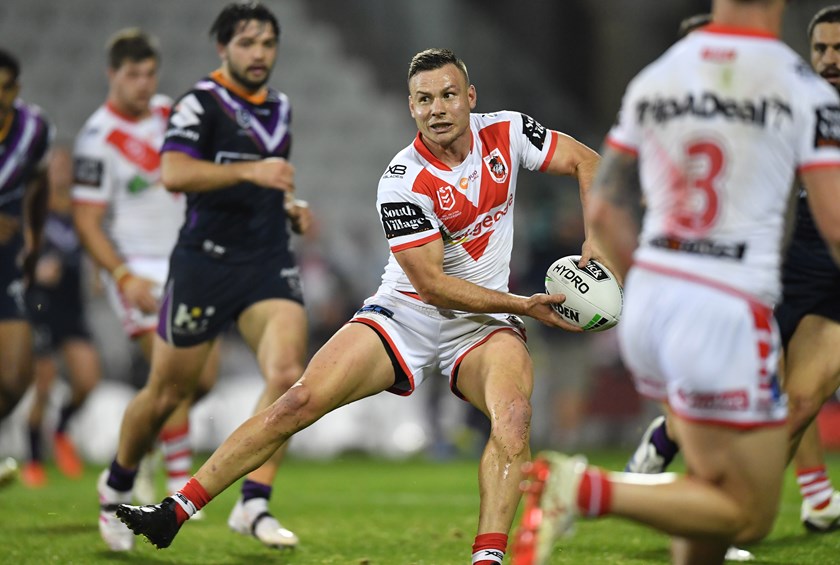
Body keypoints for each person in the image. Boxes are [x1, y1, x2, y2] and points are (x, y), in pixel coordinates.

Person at [114, 46, 600, 565]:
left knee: (514, 417)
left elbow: (586, 160)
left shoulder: (507, 131)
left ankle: (487, 559)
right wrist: (523, 304)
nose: (437, 109)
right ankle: (175, 511)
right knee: (298, 402)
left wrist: (595, 240)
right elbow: (432, 286)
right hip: (407, 313)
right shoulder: (402, 180)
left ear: (470, 97)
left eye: (448, 95)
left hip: (482, 325)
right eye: (424, 100)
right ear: (411, 107)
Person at [510, 1, 840, 565]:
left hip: (652, 301)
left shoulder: (658, 78)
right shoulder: (796, 86)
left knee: (708, 509)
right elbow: (834, 223)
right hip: (725, 306)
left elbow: (606, 209)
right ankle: (582, 488)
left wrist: (647, 277)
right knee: (747, 514)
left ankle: (637, 465)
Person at [95, 3, 311, 553]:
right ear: (223, 48)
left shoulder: (281, 106)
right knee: (168, 392)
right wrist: (251, 170)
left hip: (266, 260)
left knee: (288, 375)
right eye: (247, 43)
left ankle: (253, 502)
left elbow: (272, 179)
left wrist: (289, 206)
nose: (259, 53)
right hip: (205, 263)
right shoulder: (200, 103)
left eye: (267, 43)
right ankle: (115, 484)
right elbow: (173, 172)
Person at [624, 3, 840, 539]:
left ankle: (733, 514)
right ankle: (714, 499)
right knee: (768, 396)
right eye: (821, 48)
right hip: (788, 262)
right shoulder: (793, 94)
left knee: (802, 401)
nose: (830, 59)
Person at [72, 28, 218, 528]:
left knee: (203, 378)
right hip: (136, 268)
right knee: (170, 372)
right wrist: (120, 274)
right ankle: (178, 484)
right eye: (133, 75)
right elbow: (87, 221)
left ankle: (143, 443)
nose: (143, 84)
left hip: (185, 261)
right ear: (112, 75)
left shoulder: (167, 114)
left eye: (149, 74)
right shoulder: (96, 140)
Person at [21, 146, 102, 488]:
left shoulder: (79, 212)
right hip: (40, 304)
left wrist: (98, 271)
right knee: (44, 384)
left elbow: (93, 243)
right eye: (55, 166)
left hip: (72, 304)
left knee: (87, 380)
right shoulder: (34, 209)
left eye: (66, 166)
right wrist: (34, 270)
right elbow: (17, 254)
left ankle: (61, 430)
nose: (61, 172)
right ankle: (33, 460)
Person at [0, 47, 52, 443]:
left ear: (16, 88)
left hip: (7, 258)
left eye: (5, 88)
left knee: (16, 378)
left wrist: (35, 232)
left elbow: (39, 178)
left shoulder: (34, 127)